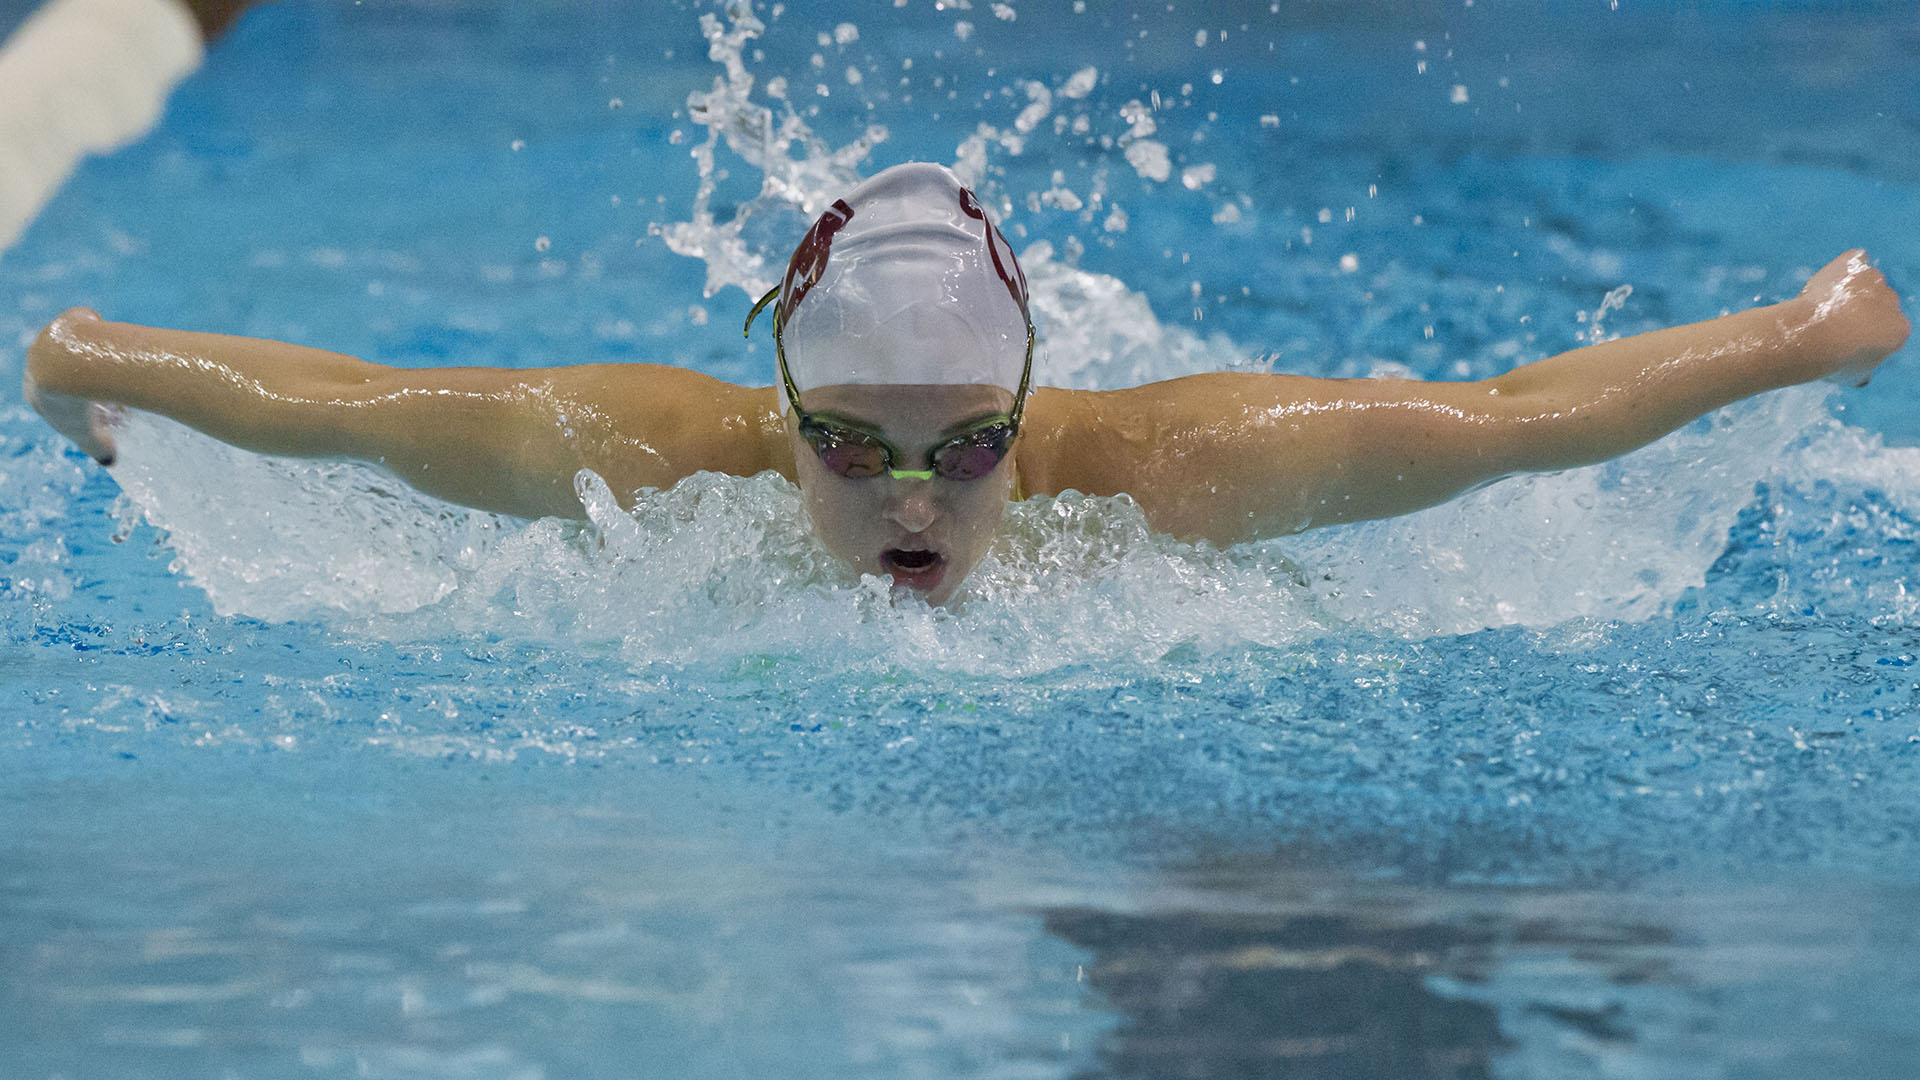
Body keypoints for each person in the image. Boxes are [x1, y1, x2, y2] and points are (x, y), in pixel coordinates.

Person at [23, 162, 1911, 604]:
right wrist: (94, 365)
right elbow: (340, 400)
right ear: (774, 406)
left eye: (965, 449)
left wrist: (1804, 337)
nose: (910, 498)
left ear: (1034, 411)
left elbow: (1516, 418)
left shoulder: (1179, 475)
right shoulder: (643, 458)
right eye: (846, 448)